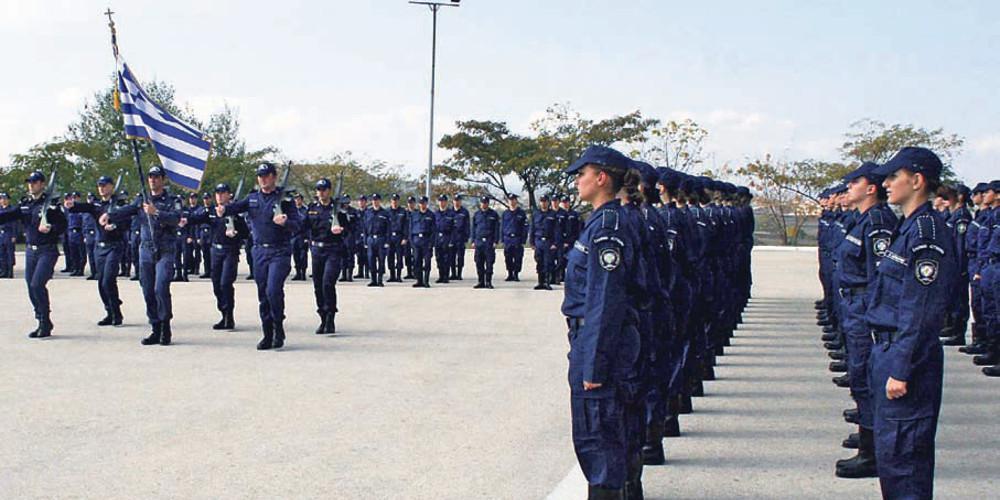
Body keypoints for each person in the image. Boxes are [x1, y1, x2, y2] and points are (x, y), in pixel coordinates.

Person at [865, 147, 958, 498]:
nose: (886, 184)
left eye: (894, 176)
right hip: (887, 350)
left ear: (917, 180)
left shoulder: (926, 234)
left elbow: (921, 309)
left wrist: (901, 368)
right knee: (891, 456)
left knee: (905, 459)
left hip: (906, 358)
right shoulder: (908, 227)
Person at [561, 146, 644, 499]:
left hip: (600, 343)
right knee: (611, 438)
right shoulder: (602, 222)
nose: (577, 181)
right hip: (599, 339)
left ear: (601, 178)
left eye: (582, 174)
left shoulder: (608, 228)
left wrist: (594, 363)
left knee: (599, 440)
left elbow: (605, 300)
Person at [829, 162, 896, 479]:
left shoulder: (878, 222)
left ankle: (872, 453)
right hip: (854, 304)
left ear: (871, 188)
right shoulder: (863, 219)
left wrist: (873, 316)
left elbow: (880, 277)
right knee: (860, 374)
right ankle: (867, 436)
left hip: (865, 307)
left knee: (867, 377)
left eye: (855, 182)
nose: (848, 188)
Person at [218, 162, 302, 350]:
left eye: (266, 175)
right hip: (259, 252)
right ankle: (267, 333)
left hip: (279, 251)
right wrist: (224, 209)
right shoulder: (252, 198)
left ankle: (278, 326)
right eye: (260, 176)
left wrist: (285, 222)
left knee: (273, 290)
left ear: (274, 177)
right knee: (263, 294)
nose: (263, 179)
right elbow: (235, 207)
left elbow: (298, 225)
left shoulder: (285, 200)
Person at [105, 166, 183, 345]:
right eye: (150, 177)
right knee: (147, 290)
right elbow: (127, 210)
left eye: (156, 177)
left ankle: (165, 327)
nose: (153, 180)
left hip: (165, 248)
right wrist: (109, 216)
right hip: (146, 249)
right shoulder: (142, 199)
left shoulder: (172, 200)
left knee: (160, 288)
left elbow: (176, 219)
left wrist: (156, 212)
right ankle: (155, 327)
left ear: (163, 179)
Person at [0, 171, 67, 338]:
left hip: (47, 250)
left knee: (37, 284)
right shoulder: (26, 203)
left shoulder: (51, 204)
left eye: (35, 182)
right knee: (31, 287)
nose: (31, 185)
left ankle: (45, 321)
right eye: (29, 182)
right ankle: (42, 319)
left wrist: (51, 228)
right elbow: (9, 215)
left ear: (42, 184)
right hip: (31, 250)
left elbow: (63, 225)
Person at [67, 176, 133, 327]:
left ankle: (116, 312)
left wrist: (115, 226)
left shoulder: (119, 204)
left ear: (111, 186)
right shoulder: (96, 205)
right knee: (101, 282)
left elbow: (127, 222)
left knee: (108, 280)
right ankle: (109, 311)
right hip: (99, 247)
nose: (101, 188)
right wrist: (71, 205)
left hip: (114, 246)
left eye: (104, 185)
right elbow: (83, 207)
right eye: (99, 186)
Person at [185, 183, 249, 330]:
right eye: (217, 193)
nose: (219, 196)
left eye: (222, 193)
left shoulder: (235, 213)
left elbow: (246, 233)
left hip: (230, 251)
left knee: (225, 283)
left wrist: (236, 233)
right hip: (216, 251)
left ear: (229, 195)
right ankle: (223, 313)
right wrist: (184, 219)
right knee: (216, 285)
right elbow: (195, 218)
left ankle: (229, 317)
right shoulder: (212, 211)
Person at [304, 178, 350, 334]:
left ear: (329, 191)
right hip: (317, 250)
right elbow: (304, 226)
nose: (321, 192)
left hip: (333, 250)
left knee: (327, 283)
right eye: (319, 190)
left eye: (324, 190)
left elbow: (350, 228)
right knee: (317, 286)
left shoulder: (338, 209)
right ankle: (322, 317)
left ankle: (330, 317)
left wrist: (341, 229)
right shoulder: (312, 208)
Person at [471, 196, 500, 289]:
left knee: (489, 263)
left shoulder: (493, 214)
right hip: (479, 242)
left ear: (488, 203)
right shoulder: (476, 214)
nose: (484, 204)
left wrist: (496, 241)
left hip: (489, 242)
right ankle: (481, 281)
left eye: (485, 202)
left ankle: (488, 282)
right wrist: (473, 241)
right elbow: (473, 228)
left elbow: (497, 229)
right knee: (478, 262)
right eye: (482, 202)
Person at [532, 194, 558, 290]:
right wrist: (532, 242)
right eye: (542, 201)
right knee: (539, 262)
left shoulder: (553, 214)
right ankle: (540, 282)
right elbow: (532, 228)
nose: (543, 203)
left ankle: (547, 282)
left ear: (548, 202)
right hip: (538, 241)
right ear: (540, 203)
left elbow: (556, 230)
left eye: (545, 201)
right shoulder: (536, 214)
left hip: (549, 241)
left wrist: (555, 243)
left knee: (548, 262)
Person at [501, 193, 529, 282]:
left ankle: (516, 274)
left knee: (518, 258)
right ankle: (510, 274)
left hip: (518, 238)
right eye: (510, 200)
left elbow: (525, 227)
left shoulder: (521, 213)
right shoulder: (505, 213)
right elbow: (502, 227)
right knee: (508, 257)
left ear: (516, 201)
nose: (512, 202)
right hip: (508, 239)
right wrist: (502, 239)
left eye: (513, 200)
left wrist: (523, 240)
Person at [410, 196, 436, 288]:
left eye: (424, 203)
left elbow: (433, 230)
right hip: (416, 240)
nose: (422, 205)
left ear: (426, 203)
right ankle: (419, 280)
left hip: (426, 240)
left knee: (427, 262)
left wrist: (431, 243)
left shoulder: (431, 215)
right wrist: (411, 242)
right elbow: (410, 229)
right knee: (417, 261)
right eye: (420, 203)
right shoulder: (414, 214)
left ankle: (426, 281)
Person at [366, 193, 390, 287]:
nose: (375, 202)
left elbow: (388, 228)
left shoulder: (385, 213)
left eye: (376, 200)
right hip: (371, 238)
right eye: (373, 200)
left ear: (379, 201)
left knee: (381, 260)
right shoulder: (368, 212)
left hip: (381, 239)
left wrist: (387, 241)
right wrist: (365, 240)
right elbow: (364, 227)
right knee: (371, 260)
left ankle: (380, 280)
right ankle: (373, 280)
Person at [387, 193, 409, 282]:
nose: (394, 202)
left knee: (399, 257)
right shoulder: (387, 211)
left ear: (398, 201)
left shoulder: (403, 212)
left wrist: (405, 237)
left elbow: (406, 225)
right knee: (390, 257)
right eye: (393, 200)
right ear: (391, 201)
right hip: (389, 237)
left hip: (399, 236)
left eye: (396, 200)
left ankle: (398, 276)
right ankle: (392, 276)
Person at [434, 194, 455, 284]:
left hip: (447, 237)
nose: (442, 203)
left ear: (446, 202)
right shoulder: (435, 214)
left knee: (447, 258)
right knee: (439, 258)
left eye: (443, 201)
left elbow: (454, 229)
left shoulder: (451, 214)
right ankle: (441, 276)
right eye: (440, 201)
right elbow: (432, 228)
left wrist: (452, 240)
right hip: (438, 237)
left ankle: (446, 276)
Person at [451, 194, 470, 280]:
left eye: (458, 200)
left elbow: (467, 225)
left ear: (460, 201)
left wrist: (466, 237)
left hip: (461, 237)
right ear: (453, 201)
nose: (457, 202)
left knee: (460, 257)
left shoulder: (464, 212)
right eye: (455, 200)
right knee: (451, 256)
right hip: (451, 237)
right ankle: (453, 274)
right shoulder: (450, 212)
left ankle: (459, 274)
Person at [291, 193, 309, 281]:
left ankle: (303, 273)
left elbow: (308, 225)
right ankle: (298, 273)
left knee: (303, 255)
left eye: (298, 199)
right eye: (295, 199)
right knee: (296, 255)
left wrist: (307, 237)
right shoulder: (292, 210)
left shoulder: (306, 210)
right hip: (294, 235)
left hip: (303, 235)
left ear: (302, 200)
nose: (297, 201)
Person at [0, 192, 17, 279]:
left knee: (9, 254)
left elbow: (15, 224)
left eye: (4, 199)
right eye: (1, 199)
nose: (3, 201)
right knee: (1, 254)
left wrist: (14, 235)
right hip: (1, 234)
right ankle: (3, 272)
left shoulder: (12, 210)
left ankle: (10, 272)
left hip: (9, 233)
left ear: (8, 200)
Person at [403, 195, 418, 279]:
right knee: (407, 255)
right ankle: (409, 272)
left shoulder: (417, 213)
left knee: (416, 255)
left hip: (415, 237)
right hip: (406, 237)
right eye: (409, 203)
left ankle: (415, 271)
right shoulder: (404, 213)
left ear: (414, 203)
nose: (410, 204)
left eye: (412, 203)